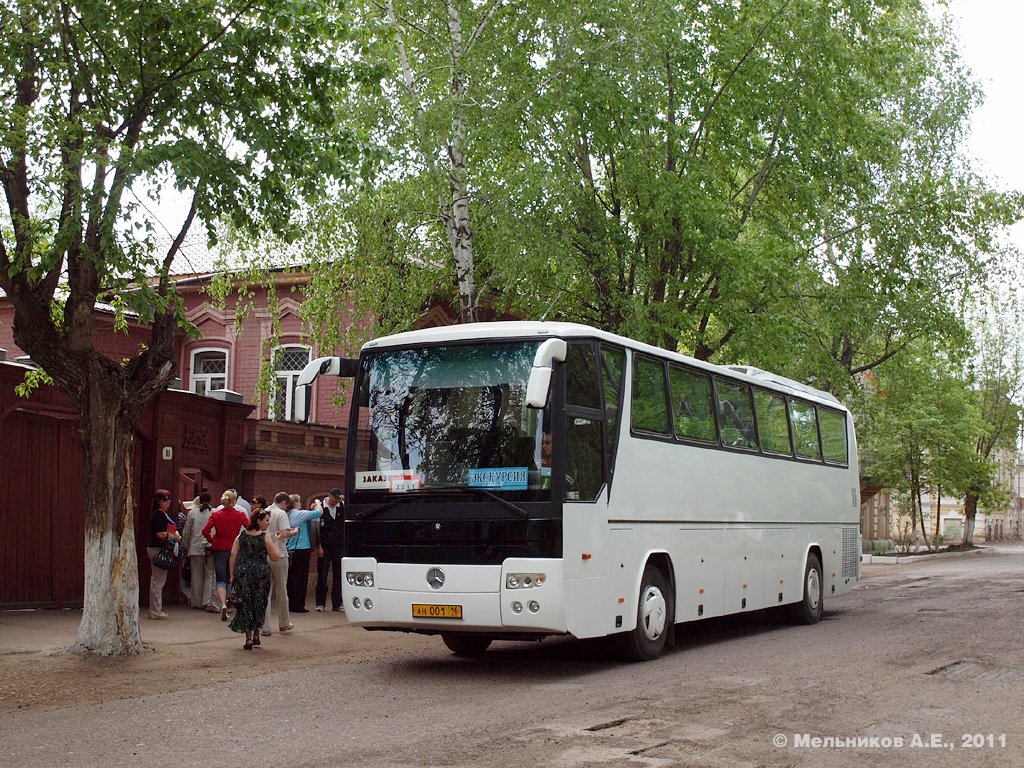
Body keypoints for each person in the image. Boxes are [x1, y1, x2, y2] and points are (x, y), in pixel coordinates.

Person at [228, 507, 288, 650]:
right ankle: (256, 635)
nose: (268, 523)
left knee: (245, 603)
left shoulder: (241, 536)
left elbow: (233, 555)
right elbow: (275, 557)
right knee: (259, 602)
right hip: (261, 572)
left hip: (243, 572)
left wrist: (231, 574)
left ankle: (248, 638)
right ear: (259, 521)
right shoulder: (265, 537)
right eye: (266, 521)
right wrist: (278, 542)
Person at [202, 491, 250, 620]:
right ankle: (229, 604)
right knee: (231, 576)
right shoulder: (240, 515)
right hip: (234, 548)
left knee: (220, 578)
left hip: (219, 548)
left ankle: (222, 604)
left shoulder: (216, 514)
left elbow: (205, 530)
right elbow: (249, 528)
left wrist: (212, 540)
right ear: (234, 501)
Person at [261, 494, 297, 635]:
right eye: (286, 505)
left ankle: (265, 626)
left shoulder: (265, 512)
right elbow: (283, 533)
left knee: (266, 591)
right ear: (283, 503)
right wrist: (294, 531)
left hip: (265, 554)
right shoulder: (281, 513)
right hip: (280, 553)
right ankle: (284, 622)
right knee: (282, 590)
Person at [146, 489, 182, 620]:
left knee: (157, 579)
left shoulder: (158, 514)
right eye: (165, 500)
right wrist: (174, 537)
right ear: (159, 501)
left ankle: (155, 608)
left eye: (168, 499)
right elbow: (160, 534)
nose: (168, 502)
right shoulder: (159, 515)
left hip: (155, 548)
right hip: (158, 548)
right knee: (158, 580)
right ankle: (156, 609)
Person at [286, 493, 322, 613]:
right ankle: (298, 605)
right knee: (301, 579)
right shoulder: (299, 513)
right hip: (302, 548)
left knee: (291, 578)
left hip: (290, 548)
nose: (301, 502)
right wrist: (318, 503)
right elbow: (319, 513)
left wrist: (310, 509)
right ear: (295, 502)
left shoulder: (288, 514)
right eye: (299, 501)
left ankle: (290, 603)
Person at [181, 492, 218, 612]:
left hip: (195, 547)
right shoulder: (214, 512)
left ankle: (196, 601)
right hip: (210, 547)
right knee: (209, 575)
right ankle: (207, 601)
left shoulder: (192, 512)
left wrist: (185, 545)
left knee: (196, 574)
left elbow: (187, 531)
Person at [316, 487, 346, 612]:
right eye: (334, 499)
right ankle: (320, 602)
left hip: (338, 546)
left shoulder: (342, 506)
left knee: (338, 575)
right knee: (322, 575)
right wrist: (319, 546)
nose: (336, 502)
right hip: (325, 546)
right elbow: (316, 529)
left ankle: (337, 603)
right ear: (329, 496)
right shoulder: (320, 508)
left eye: (338, 499)